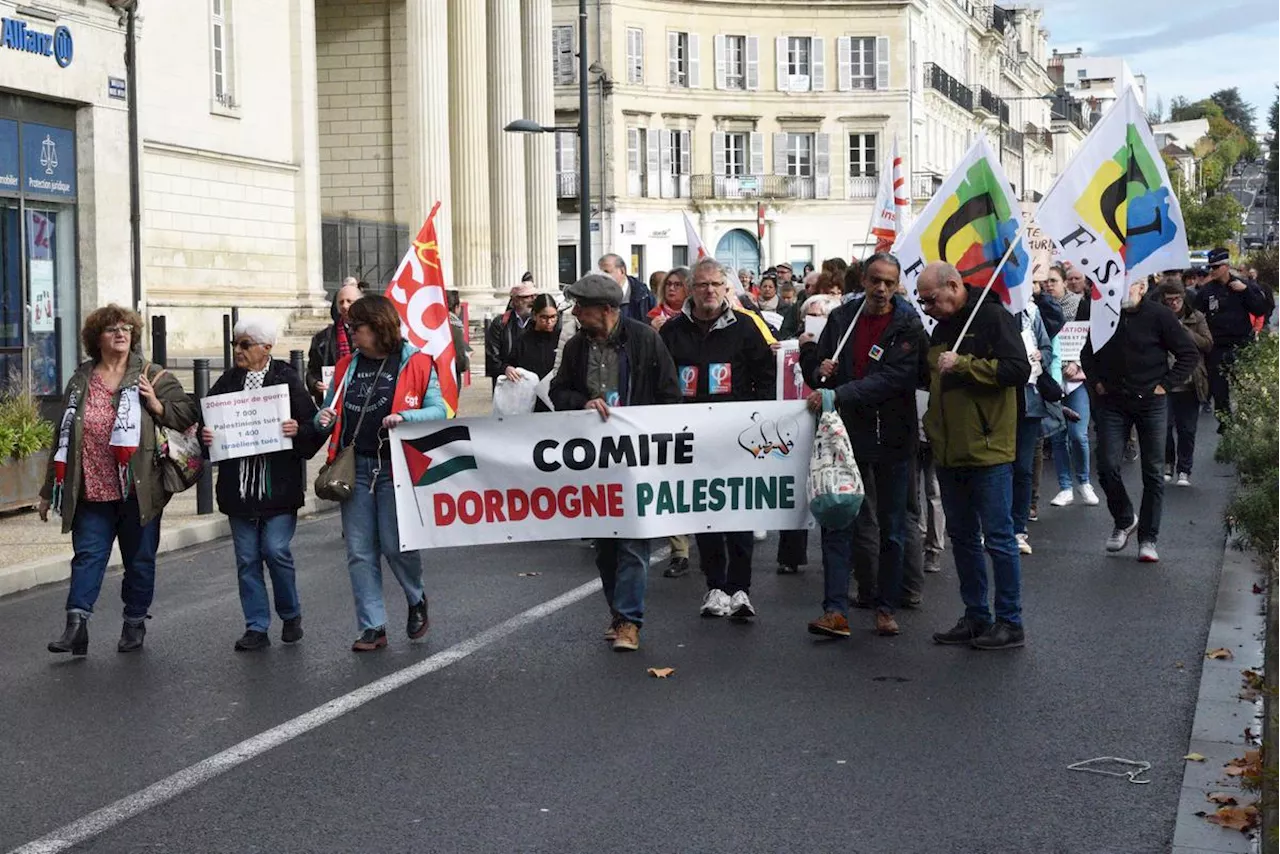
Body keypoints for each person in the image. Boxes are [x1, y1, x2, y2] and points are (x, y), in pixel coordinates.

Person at [40, 305, 198, 655]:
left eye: (126, 328)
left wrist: (157, 406)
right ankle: (76, 625)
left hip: (139, 490)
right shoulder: (81, 379)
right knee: (87, 557)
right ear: (97, 338)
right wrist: (47, 489)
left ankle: (134, 622)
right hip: (91, 490)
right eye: (112, 329)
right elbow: (63, 435)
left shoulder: (151, 375)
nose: (121, 333)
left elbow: (188, 414)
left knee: (139, 560)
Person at [550, 273, 681, 651]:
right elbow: (559, 391)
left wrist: (648, 432)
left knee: (634, 541)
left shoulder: (645, 340)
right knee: (605, 546)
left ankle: (629, 620)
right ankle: (618, 613)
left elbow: (670, 395)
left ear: (606, 310)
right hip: (593, 460)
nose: (575, 312)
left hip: (636, 457)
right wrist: (583, 403)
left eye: (582, 307)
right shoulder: (576, 347)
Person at [802, 253, 927, 638]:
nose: (881, 289)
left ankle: (886, 607)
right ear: (864, 280)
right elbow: (817, 374)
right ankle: (835, 609)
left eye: (889, 282)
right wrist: (818, 369)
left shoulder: (908, 324)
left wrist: (840, 393)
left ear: (898, 284)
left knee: (892, 527)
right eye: (875, 280)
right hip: (846, 436)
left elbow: (895, 379)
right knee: (838, 519)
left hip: (892, 437)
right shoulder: (842, 318)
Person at [316, 294, 448, 651]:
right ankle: (372, 626)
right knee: (359, 551)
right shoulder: (346, 367)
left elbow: (440, 410)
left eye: (356, 328)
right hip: (354, 467)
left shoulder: (416, 363)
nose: (351, 334)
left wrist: (407, 417)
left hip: (395, 468)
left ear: (378, 327)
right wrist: (323, 418)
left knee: (395, 546)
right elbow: (327, 411)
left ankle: (416, 597)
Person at [915, 263, 1031, 650]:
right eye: (922, 300)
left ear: (953, 285)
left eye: (930, 299)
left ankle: (1010, 622)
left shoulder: (994, 317)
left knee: (998, 538)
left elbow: (1018, 369)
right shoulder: (942, 327)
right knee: (963, 537)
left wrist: (964, 364)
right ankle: (976, 616)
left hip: (988, 448)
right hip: (949, 449)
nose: (926, 306)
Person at [659, 258, 776, 621]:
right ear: (690, 290)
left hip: (738, 439)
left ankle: (740, 588)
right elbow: (661, 383)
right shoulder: (672, 332)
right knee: (705, 514)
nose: (709, 291)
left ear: (726, 288)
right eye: (702, 285)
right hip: (692, 440)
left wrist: (756, 420)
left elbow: (766, 378)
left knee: (739, 513)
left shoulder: (745, 327)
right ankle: (715, 586)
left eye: (716, 284)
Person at [201, 318, 326, 651]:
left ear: (266, 348)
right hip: (237, 488)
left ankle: (290, 613)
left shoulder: (286, 379)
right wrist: (207, 436)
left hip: (277, 485)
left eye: (245, 344)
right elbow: (207, 425)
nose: (238, 351)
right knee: (246, 559)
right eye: (235, 345)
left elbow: (312, 426)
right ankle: (256, 625)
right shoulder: (227, 382)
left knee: (275, 550)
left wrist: (297, 430)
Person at [1081, 276, 1198, 563]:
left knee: (1153, 472)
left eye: (1127, 286)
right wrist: (1096, 382)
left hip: (1151, 403)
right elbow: (1087, 354)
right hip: (1113, 402)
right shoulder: (1104, 314)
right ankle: (1124, 519)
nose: (1120, 292)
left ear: (1142, 288)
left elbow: (1188, 353)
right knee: (1107, 465)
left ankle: (1148, 538)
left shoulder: (1159, 315)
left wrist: (1165, 385)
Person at [1197, 248, 1270, 428]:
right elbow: (1196, 314)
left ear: (1226, 267)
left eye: (1216, 267)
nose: (1212, 271)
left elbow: (1261, 309)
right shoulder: (1207, 290)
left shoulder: (1243, 286)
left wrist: (1245, 292)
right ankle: (1226, 426)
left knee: (1245, 388)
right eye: (1210, 267)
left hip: (1241, 345)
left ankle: (1247, 424)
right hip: (1217, 347)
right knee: (1219, 390)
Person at [1045, 264, 1098, 508]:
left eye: (1053, 280)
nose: (1048, 285)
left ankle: (1084, 482)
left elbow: (1090, 340)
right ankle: (1065, 487)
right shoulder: (1038, 309)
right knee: (1058, 437)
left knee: (1078, 435)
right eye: (1045, 281)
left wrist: (1077, 363)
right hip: (1051, 379)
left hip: (1076, 380)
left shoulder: (1080, 305)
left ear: (1064, 282)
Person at [1158, 282, 1213, 487]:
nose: (1173, 304)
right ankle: (1167, 465)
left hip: (1190, 382)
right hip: (1165, 380)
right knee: (1164, 427)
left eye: (1177, 299)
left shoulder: (1196, 317)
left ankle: (1184, 469)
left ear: (1184, 298)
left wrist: (1186, 332)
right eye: (1169, 300)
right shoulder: (1159, 318)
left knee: (1187, 429)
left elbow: (1208, 344)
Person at [502, 293, 560, 412]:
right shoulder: (523, 340)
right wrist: (507, 368)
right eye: (544, 317)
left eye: (553, 317)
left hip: (556, 399)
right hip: (529, 400)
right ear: (534, 316)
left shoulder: (561, 339)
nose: (549, 322)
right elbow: (507, 362)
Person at [306, 282, 362, 404]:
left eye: (349, 301)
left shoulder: (372, 333)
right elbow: (312, 371)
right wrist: (315, 384)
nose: (345, 306)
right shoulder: (322, 338)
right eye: (341, 302)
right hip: (332, 402)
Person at [485, 282, 537, 390]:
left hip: (532, 381)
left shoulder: (538, 322)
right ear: (515, 300)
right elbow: (492, 355)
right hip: (507, 382)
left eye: (534, 296)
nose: (533, 300)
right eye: (527, 297)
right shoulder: (500, 323)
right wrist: (504, 368)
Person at [598, 253, 657, 322]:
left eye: (607, 272)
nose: (603, 277)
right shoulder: (597, 296)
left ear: (622, 271)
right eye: (601, 273)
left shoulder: (643, 296)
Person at [648, 267, 689, 332]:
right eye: (668, 284)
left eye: (677, 284)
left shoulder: (697, 315)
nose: (671, 288)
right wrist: (651, 331)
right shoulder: (653, 316)